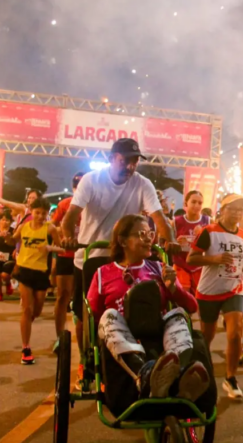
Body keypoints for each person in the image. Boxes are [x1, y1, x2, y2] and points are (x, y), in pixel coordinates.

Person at [60, 138, 179, 386]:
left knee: (138, 306)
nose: (130, 166)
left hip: (126, 255)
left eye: (135, 161)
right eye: (125, 160)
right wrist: (68, 237)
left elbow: (159, 219)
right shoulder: (91, 180)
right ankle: (87, 361)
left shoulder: (142, 184)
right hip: (91, 256)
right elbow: (70, 217)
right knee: (87, 314)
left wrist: (169, 241)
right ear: (112, 158)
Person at [86, 214, 212, 412]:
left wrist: (173, 289)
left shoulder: (160, 268)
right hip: (123, 337)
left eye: (150, 234)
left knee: (178, 314)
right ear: (122, 241)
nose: (148, 239)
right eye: (141, 234)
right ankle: (145, 374)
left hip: (157, 334)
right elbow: (93, 315)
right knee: (108, 315)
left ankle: (175, 373)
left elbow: (192, 307)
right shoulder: (103, 273)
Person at [187, 194, 243, 399]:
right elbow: (191, 259)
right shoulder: (209, 232)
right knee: (207, 335)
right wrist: (214, 258)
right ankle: (200, 372)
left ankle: (230, 378)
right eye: (232, 208)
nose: (236, 213)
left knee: (235, 333)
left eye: (240, 209)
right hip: (209, 290)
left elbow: (237, 262)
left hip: (234, 288)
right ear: (222, 210)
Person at [4, 198, 62, 365]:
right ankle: (26, 348)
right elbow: (13, 241)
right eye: (37, 213)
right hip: (24, 270)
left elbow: (62, 248)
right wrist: (7, 236)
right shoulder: (23, 227)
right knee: (27, 309)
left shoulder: (50, 229)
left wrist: (49, 248)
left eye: (44, 213)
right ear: (31, 212)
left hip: (41, 273)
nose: (40, 216)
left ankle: (28, 323)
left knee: (36, 311)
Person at [50, 172, 85, 347]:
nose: (80, 188)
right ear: (73, 188)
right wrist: (62, 240)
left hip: (86, 256)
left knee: (84, 299)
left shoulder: (93, 204)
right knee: (62, 296)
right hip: (66, 256)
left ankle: (85, 339)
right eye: (77, 185)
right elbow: (52, 226)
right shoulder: (65, 204)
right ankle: (59, 337)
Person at [173, 190, 211, 295]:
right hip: (181, 264)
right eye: (193, 202)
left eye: (200, 203)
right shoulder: (176, 222)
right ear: (186, 204)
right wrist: (175, 242)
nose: (197, 205)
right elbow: (165, 244)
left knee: (199, 298)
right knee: (184, 297)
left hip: (199, 266)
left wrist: (202, 235)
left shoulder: (208, 222)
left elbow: (214, 244)